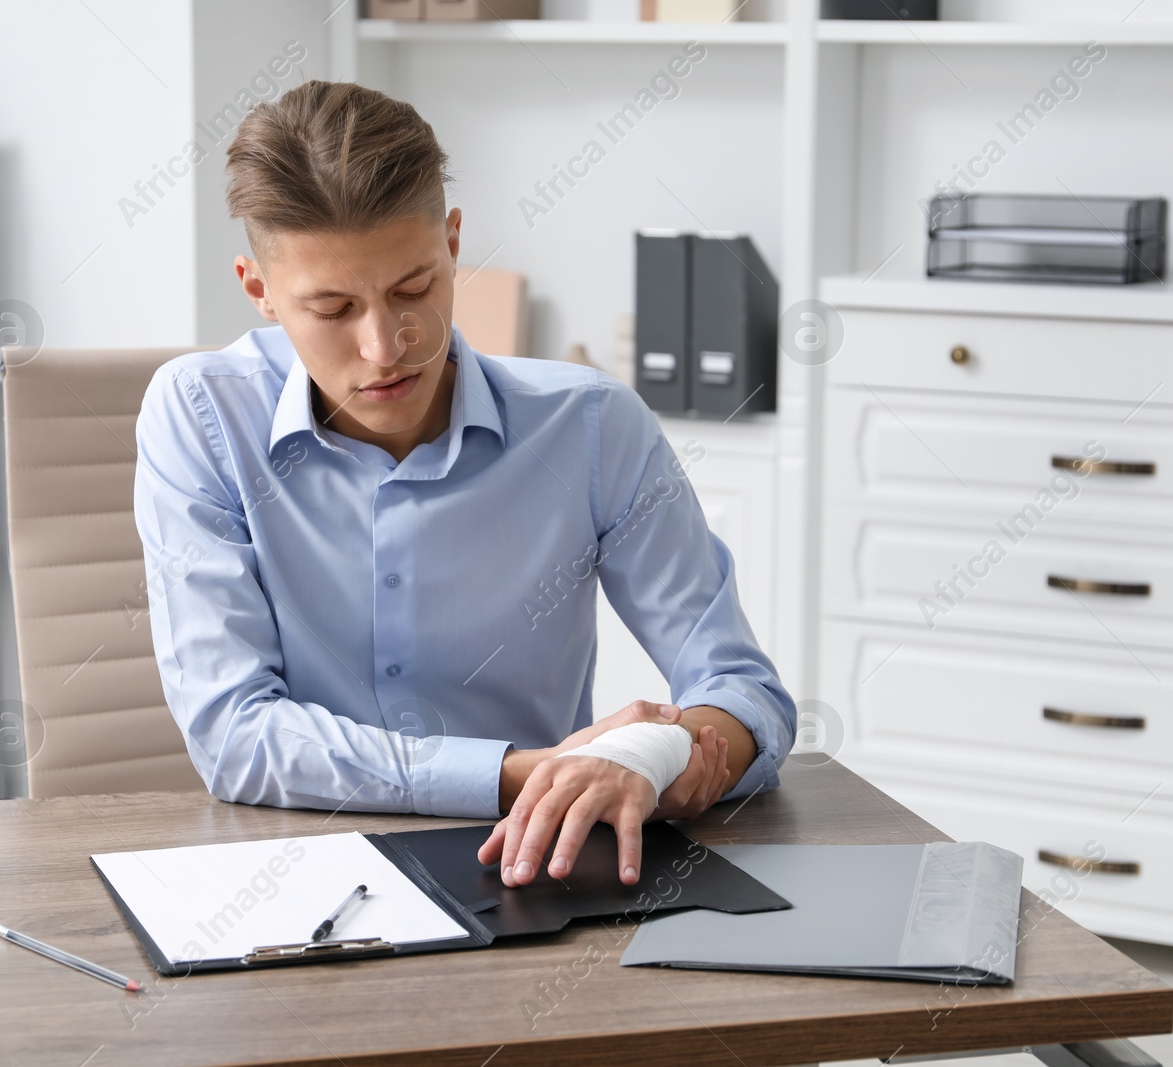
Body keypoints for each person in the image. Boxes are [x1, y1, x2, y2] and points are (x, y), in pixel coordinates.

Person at [133, 80, 795, 892]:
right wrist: (527, 773)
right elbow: (238, 737)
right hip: (282, 883)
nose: (386, 346)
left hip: (528, 875)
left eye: (413, 288)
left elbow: (743, 690)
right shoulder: (200, 419)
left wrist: (659, 755)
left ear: (453, 243)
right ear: (258, 290)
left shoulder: (591, 428)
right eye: (333, 307)